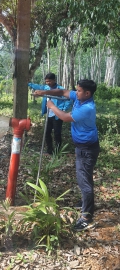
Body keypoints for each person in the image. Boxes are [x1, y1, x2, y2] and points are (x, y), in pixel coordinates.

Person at [34, 79, 100, 231]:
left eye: (79, 90)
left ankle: (86, 217)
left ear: (87, 93)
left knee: (84, 180)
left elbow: (64, 117)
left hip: (87, 148)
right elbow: (62, 92)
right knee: (85, 177)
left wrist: (51, 106)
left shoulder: (88, 108)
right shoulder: (80, 97)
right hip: (83, 147)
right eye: (76, 90)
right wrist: (45, 92)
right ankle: (85, 201)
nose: (76, 93)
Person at [28, 73, 72, 155]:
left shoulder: (60, 89)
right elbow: (37, 86)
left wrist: (63, 109)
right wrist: (28, 84)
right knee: (47, 133)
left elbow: (69, 99)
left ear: (54, 80)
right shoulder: (46, 88)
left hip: (57, 115)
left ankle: (57, 151)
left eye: (49, 81)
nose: (48, 83)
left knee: (57, 133)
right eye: (46, 81)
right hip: (48, 114)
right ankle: (49, 150)